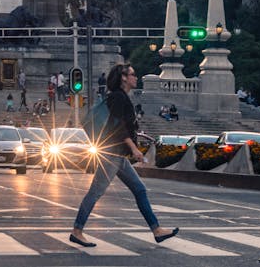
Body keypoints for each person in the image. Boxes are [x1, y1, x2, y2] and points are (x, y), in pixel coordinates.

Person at [69, 63, 178, 248]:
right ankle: (77, 231)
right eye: (133, 74)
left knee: (140, 190)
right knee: (95, 192)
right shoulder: (119, 97)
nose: (136, 77)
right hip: (112, 154)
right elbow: (117, 126)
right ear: (124, 78)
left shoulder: (121, 97)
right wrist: (134, 148)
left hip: (117, 155)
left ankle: (156, 230)